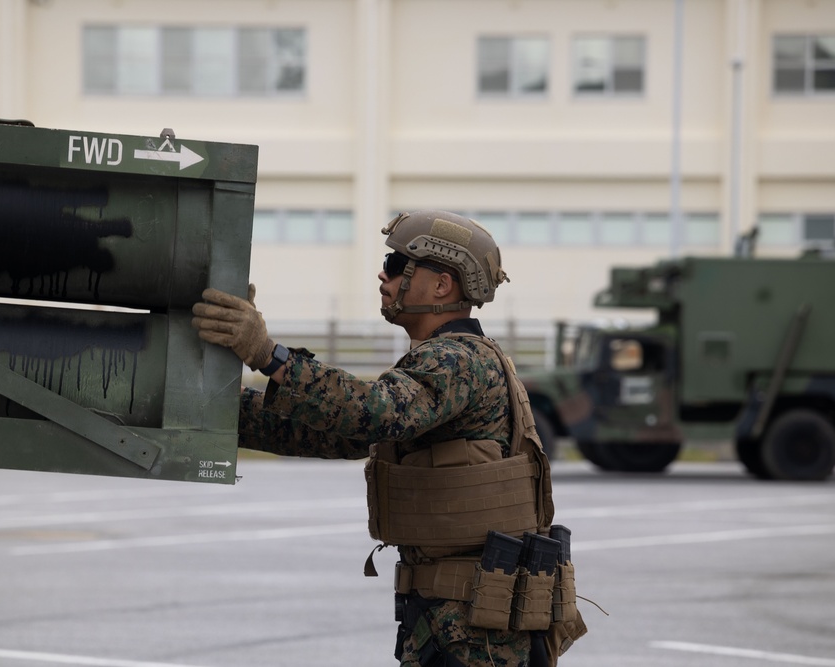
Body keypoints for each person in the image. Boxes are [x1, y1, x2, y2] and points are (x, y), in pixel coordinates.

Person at [192, 210, 580, 666]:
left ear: (442, 285)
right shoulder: (440, 363)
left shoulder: (459, 360)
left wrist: (266, 354)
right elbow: (335, 432)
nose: (384, 274)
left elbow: (373, 412)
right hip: (455, 621)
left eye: (398, 266)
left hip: (476, 632)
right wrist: (206, 405)